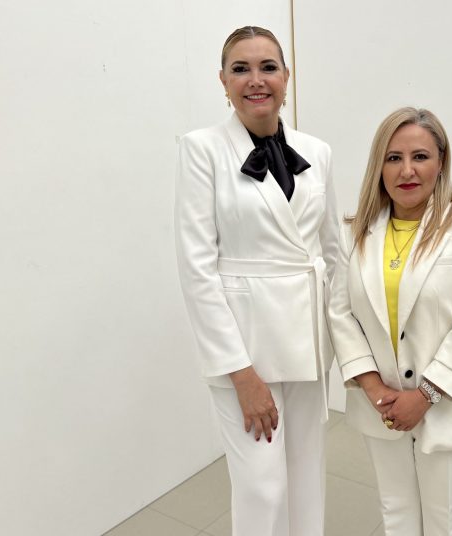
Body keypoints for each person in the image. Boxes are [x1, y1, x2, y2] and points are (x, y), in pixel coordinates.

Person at [174, 25, 338, 536]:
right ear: (222, 81)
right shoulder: (201, 149)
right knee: (262, 488)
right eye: (240, 69)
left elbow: (333, 254)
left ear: (287, 75)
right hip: (244, 349)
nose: (256, 80)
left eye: (268, 67)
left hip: (308, 342)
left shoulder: (318, 151)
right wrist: (241, 374)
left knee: (306, 479)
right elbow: (197, 270)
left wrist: (345, 344)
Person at [328, 107, 452, 536]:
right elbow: (340, 313)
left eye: (420, 156)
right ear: (379, 166)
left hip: (446, 406)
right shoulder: (354, 233)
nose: (407, 170)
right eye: (394, 158)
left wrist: (424, 396)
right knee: (397, 515)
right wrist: (375, 389)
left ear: (441, 161)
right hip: (381, 407)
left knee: (446, 523)